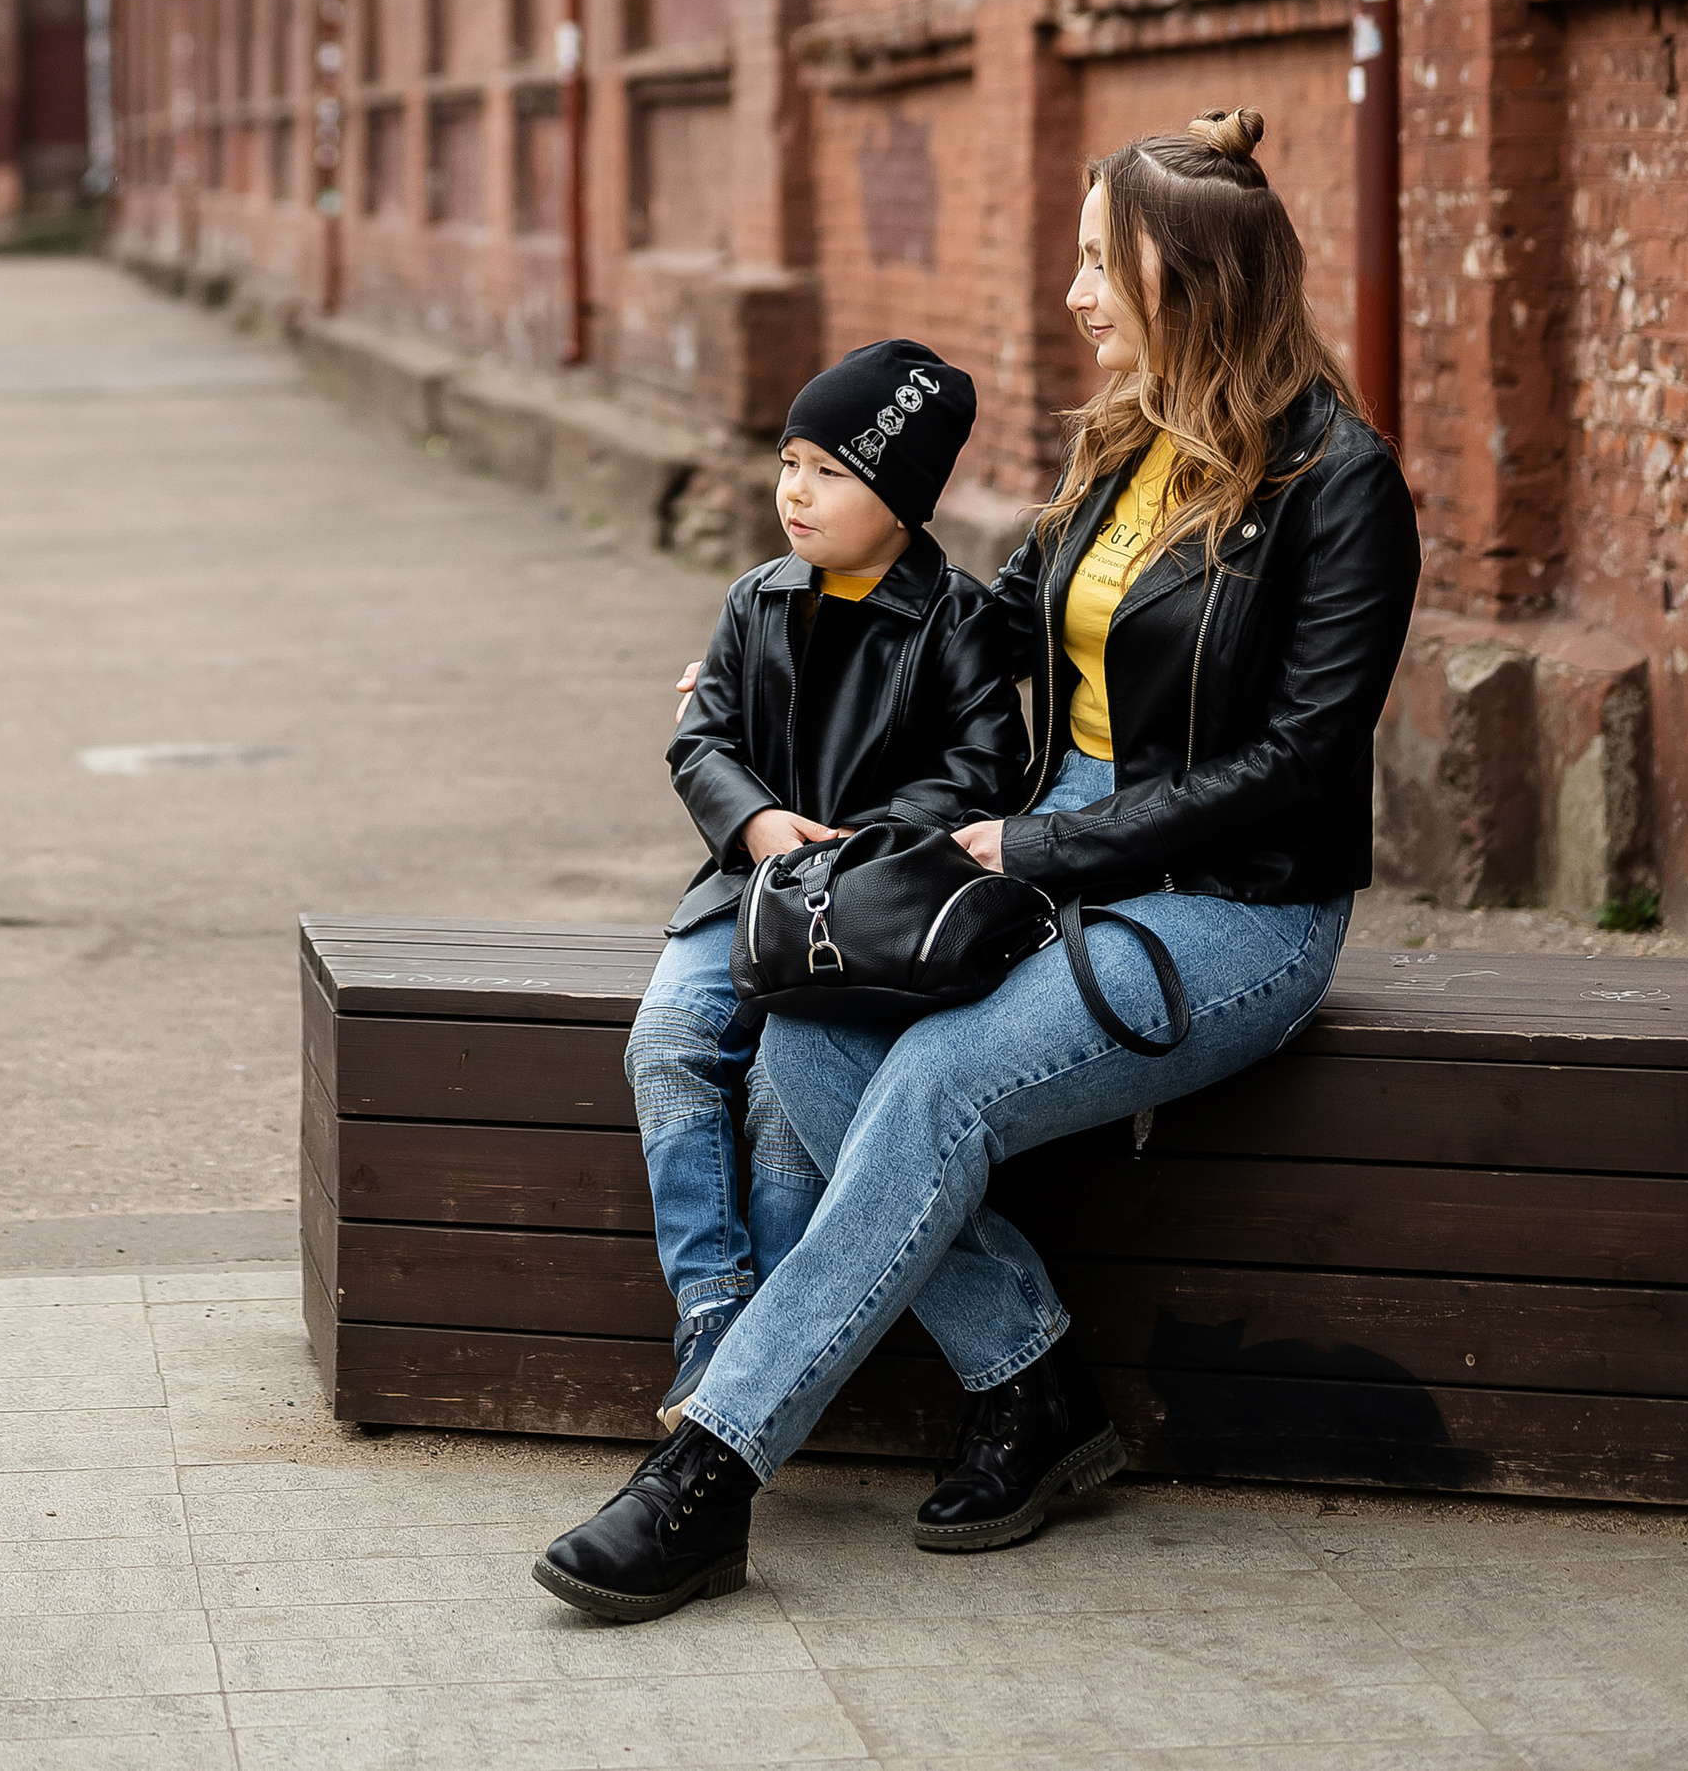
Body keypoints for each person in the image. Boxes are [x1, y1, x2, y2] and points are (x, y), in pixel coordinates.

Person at [535, 108, 1421, 1623]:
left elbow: (1295, 765)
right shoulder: (1121, 447)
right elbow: (988, 624)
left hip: (1236, 902)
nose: (1075, 295)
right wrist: (792, 650)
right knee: (812, 1039)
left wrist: (1050, 837)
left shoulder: (1341, 483)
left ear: (1190, 277)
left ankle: (712, 1466)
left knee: (933, 1076)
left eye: (1099, 263)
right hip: (1043, 853)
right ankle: (1033, 1382)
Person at [626, 340, 1024, 1433]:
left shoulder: (957, 619)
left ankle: (774, 1338)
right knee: (665, 1043)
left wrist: (868, 841)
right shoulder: (757, 599)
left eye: (828, 471)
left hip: (867, 915)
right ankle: (711, 1307)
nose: (794, 492)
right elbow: (699, 739)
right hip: (742, 892)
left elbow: (982, 770)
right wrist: (752, 822)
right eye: (788, 463)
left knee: (782, 1092)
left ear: (899, 499)